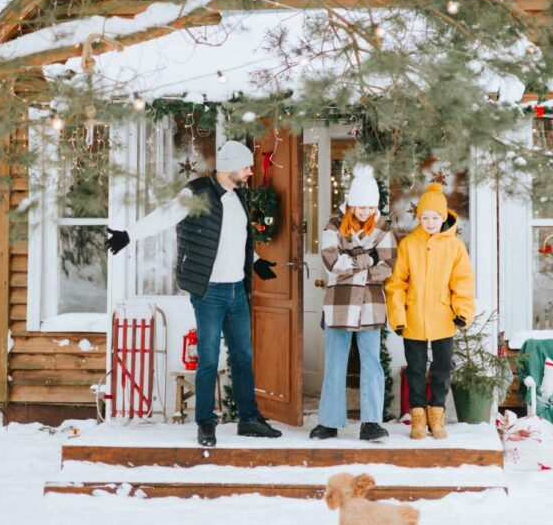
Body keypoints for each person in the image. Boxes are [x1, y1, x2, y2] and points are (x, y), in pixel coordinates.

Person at [105, 140, 282, 446]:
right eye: (246, 166)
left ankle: (249, 419)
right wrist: (128, 235)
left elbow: (236, 241)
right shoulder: (197, 192)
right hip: (209, 291)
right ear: (231, 167)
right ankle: (205, 423)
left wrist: (256, 263)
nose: (251, 172)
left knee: (243, 356)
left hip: (237, 290)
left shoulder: (239, 196)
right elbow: (163, 216)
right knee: (209, 359)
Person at [309, 164, 397, 442]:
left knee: (371, 362)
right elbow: (332, 262)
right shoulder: (332, 225)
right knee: (335, 361)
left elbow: (389, 265)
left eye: (370, 208)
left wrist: (359, 264)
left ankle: (371, 421)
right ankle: (329, 421)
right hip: (339, 303)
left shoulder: (383, 228)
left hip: (370, 303)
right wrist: (368, 260)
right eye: (360, 207)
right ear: (350, 204)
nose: (365, 212)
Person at [385, 183, 475, 439]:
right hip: (413, 318)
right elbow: (396, 284)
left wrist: (462, 311)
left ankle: (437, 417)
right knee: (415, 369)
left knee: (442, 368)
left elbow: (462, 282)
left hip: (443, 317)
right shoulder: (409, 245)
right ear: (419, 217)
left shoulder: (455, 247)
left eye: (435, 217)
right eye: (425, 217)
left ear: (444, 216)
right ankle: (417, 419)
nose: (430, 222)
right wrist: (398, 316)